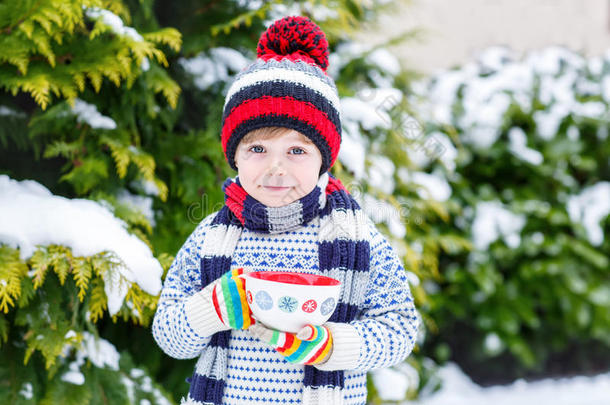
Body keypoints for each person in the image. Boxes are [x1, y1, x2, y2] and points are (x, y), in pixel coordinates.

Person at [152, 15, 419, 405]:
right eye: (258, 149)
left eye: (297, 151)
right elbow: (168, 335)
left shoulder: (357, 237)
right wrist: (212, 307)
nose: (276, 168)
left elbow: (400, 328)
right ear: (235, 156)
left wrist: (334, 346)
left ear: (323, 159)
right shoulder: (212, 235)